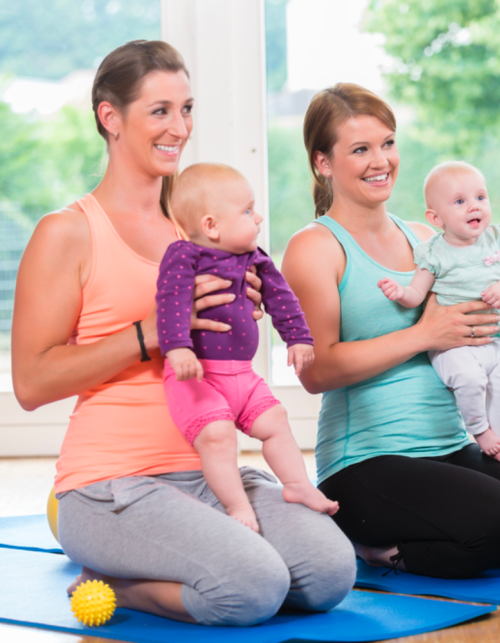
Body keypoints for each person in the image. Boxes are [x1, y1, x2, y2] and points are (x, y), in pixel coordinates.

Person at [11, 41, 355, 626]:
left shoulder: (204, 225)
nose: (180, 127)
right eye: (160, 111)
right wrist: (146, 334)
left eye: (187, 108)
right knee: (252, 587)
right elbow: (31, 382)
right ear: (110, 117)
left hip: (210, 472)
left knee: (329, 573)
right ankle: (118, 583)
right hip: (111, 486)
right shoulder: (68, 231)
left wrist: (249, 313)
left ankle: (205, 556)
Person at [281, 83, 500, 580]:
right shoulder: (315, 248)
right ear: (323, 163)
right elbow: (316, 371)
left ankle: (459, 532)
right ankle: (374, 547)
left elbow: (470, 314)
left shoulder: (428, 236)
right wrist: (423, 335)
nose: (380, 160)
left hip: (450, 445)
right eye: (360, 149)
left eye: (387, 143)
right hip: (367, 461)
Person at [158, 163, 338, 533]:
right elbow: (171, 301)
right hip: (199, 377)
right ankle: (237, 503)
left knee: (276, 421)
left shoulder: (254, 258)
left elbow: (282, 298)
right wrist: (178, 348)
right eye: (246, 211)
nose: (258, 217)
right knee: (218, 436)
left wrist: (299, 337)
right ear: (211, 226)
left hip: (242, 375)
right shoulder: (182, 256)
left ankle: (298, 485)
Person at [377, 161, 500, 465]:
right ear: (435, 217)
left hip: (493, 340)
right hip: (453, 346)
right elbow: (417, 293)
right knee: (469, 380)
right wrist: (400, 293)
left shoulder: (493, 239)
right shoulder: (434, 253)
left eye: (480, 198)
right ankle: (480, 431)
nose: (474, 207)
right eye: (460, 201)